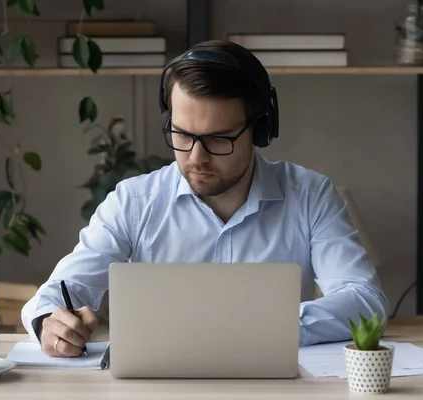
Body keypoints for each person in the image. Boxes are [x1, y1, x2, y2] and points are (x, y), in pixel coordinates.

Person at [21, 39, 389, 358]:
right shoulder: (134, 202)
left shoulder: (310, 196)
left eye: (218, 139)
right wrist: (49, 324)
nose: (196, 157)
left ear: (260, 130)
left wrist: (260, 326)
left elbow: (364, 301)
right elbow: (59, 293)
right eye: (181, 135)